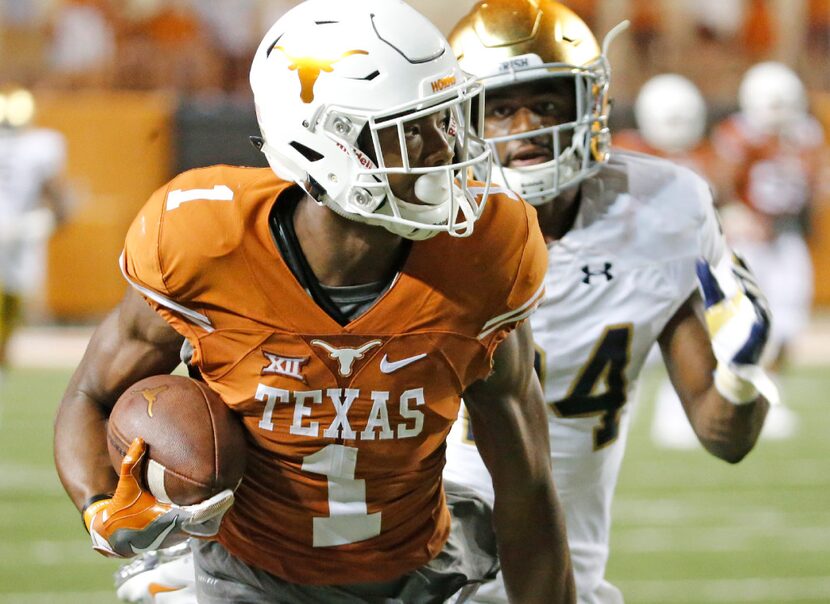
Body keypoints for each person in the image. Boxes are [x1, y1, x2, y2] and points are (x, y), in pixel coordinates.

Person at [53, 2, 576, 603]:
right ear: (322, 146)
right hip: (248, 573)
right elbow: (90, 396)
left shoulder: (488, 248)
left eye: (447, 120)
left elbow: (527, 485)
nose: (444, 150)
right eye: (413, 129)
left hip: (427, 567)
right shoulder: (203, 242)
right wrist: (101, 507)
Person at [441, 2, 773, 603]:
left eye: (545, 105)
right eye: (502, 110)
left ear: (589, 104)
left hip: (566, 572)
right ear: (460, 120)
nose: (527, 131)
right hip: (431, 569)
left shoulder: (664, 211)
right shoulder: (426, 229)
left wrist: (744, 372)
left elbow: (724, 437)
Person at [710, 61, 824, 438]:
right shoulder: (738, 133)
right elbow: (720, 183)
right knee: (746, 321)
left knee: (789, 318)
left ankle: (772, 393)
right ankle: (734, 398)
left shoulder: (807, 133)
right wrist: (733, 213)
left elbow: (814, 184)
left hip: (786, 234)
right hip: (748, 240)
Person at [0, 85, 67, 376]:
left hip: (17, 226)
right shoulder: (42, 144)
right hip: (20, 228)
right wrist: (61, 214)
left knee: (12, 298)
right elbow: (53, 190)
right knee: (13, 298)